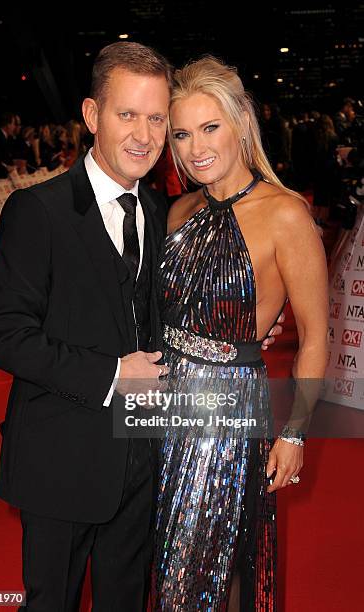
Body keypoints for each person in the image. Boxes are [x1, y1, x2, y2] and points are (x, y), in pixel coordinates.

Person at [0, 43, 281, 611]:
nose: (144, 135)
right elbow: (5, 335)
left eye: (156, 118)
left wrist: (240, 325)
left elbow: (171, 309)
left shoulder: (161, 205)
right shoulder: (36, 212)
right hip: (60, 461)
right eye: (127, 115)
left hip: (143, 462)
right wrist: (111, 375)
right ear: (93, 116)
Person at [153, 57, 328, 610]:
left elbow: (318, 337)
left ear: (241, 126)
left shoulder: (286, 215)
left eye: (210, 128)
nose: (195, 146)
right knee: (161, 558)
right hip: (158, 403)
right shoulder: (176, 211)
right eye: (181, 133)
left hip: (227, 410)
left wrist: (295, 433)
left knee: (216, 559)